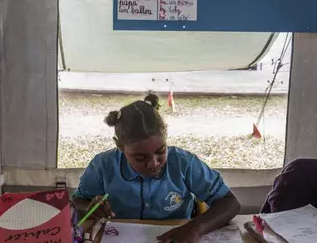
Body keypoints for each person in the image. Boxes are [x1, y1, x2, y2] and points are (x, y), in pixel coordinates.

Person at [72, 94, 240, 243]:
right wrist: (91, 208)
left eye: (161, 151)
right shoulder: (103, 166)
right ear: (120, 146)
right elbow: (77, 202)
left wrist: (195, 228)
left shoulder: (184, 163)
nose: (153, 163)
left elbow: (230, 203)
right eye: (140, 157)